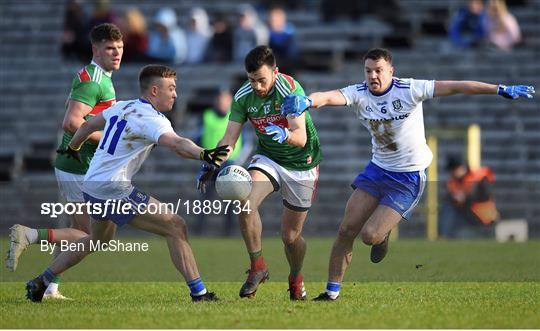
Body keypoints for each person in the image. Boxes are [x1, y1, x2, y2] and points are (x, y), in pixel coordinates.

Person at [280, 48, 535, 300]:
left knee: (370, 236)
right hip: (377, 170)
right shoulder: (358, 94)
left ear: (391, 71)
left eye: (379, 70)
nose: (373, 76)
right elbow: (328, 96)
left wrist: (498, 88)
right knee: (346, 230)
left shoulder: (410, 89)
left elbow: (457, 86)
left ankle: (383, 235)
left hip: (408, 177)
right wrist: (309, 101)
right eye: (368, 71)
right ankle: (331, 292)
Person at [25, 64, 230, 303]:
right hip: (113, 189)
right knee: (176, 226)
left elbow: (88, 125)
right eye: (171, 88)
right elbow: (176, 143)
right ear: (154, 91)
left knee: (97, 239)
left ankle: (42, 280)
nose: (175, 94)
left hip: (92, 185)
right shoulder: (152, 119)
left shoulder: (122, 106)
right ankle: (200, 294)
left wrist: (73, 147)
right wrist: (204, 154)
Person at [6, 23, 124, 300]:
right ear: (95, 49)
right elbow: (71, 122)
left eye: (119, 48)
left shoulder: (100, 76)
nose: (116, 53)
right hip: (80, 167)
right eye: (109, 48)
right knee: (91, 237)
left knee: (83, 230)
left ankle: (50, 287)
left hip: (80, 165)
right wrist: (111, 141)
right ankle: (30, 235)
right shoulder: (93, 80)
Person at [197, 46, 322, 300]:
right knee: (245, 203)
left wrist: (285, 133)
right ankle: (258, 266)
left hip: (302, 164)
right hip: (269, 158)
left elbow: (300, 137)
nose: (256, 86)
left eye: (262, 80)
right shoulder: (244, 96)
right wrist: (213, 161)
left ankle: (296, 276)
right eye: (251, 80)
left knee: (290, 237)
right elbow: (229, 138)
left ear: (275, 73)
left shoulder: (290, 90)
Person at [196, 89, 252, 236]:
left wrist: (238, 161)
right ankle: (200, 232)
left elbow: (247, 142)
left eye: (225, 100)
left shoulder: (236, 117)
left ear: (230, 102)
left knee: (230, 201)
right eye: (220, 100)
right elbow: (198, 137)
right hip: (210, 164)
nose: (222, 103)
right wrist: (202, 157)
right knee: (204, 199)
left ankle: (228, 233)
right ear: (216, 101)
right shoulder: (206, 116)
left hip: (230, 165)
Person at [439, 156, 499, 238]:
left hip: (484, 217)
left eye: (454, 169)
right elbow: (448, 198)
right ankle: (445, 236)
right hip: (467, 217)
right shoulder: (453, 182)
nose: (453, 172)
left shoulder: (479, 177)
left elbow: (486, 196)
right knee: (447, 208)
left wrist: (466, 198)